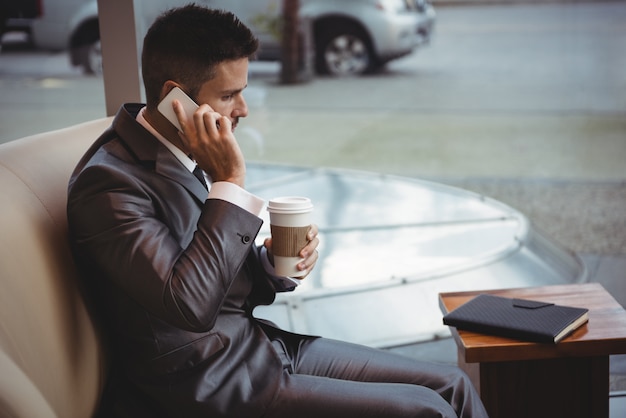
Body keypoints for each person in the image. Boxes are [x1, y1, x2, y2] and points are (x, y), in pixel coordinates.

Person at [67, 5, 488, 418]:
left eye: (242, 92)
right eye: (229, 95)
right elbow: (188, 303)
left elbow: (211, 271)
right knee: (428, 410)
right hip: (208, 384)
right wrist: (229, 181)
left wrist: (272, 263)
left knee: (453, 386)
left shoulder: (179, 150)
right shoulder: (108, 185)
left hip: (259, 350)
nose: (243, 110)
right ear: (175, 99)